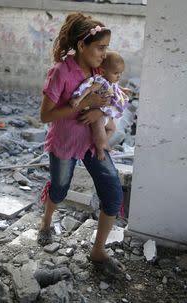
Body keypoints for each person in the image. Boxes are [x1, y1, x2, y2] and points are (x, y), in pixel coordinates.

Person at [38, 12, 124, 276]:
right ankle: (46, 222)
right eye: (99, 47)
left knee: (113, 193)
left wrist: (99, 112)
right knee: (60, 190)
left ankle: (98, 252)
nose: (103, 53)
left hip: (93, 142)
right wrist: (86, 104)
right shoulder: (61, 72)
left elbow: (110, 97)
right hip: (65, 143)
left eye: (106, 48)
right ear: (81, 46)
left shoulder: (100, 68)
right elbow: (45, 115)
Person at [69, 50, 130, 161]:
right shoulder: (100, 82)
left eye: (120, 73)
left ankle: (103, 144)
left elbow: (116, 87)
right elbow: (88, 89)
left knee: (112, 129)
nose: (119, 76)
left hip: (106, 113)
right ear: (102, 71)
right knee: (100, 134)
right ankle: (100, 150)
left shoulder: (112, 81)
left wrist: (123, 89)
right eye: (116, 73)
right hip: (97, 114)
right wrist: (78, 99)